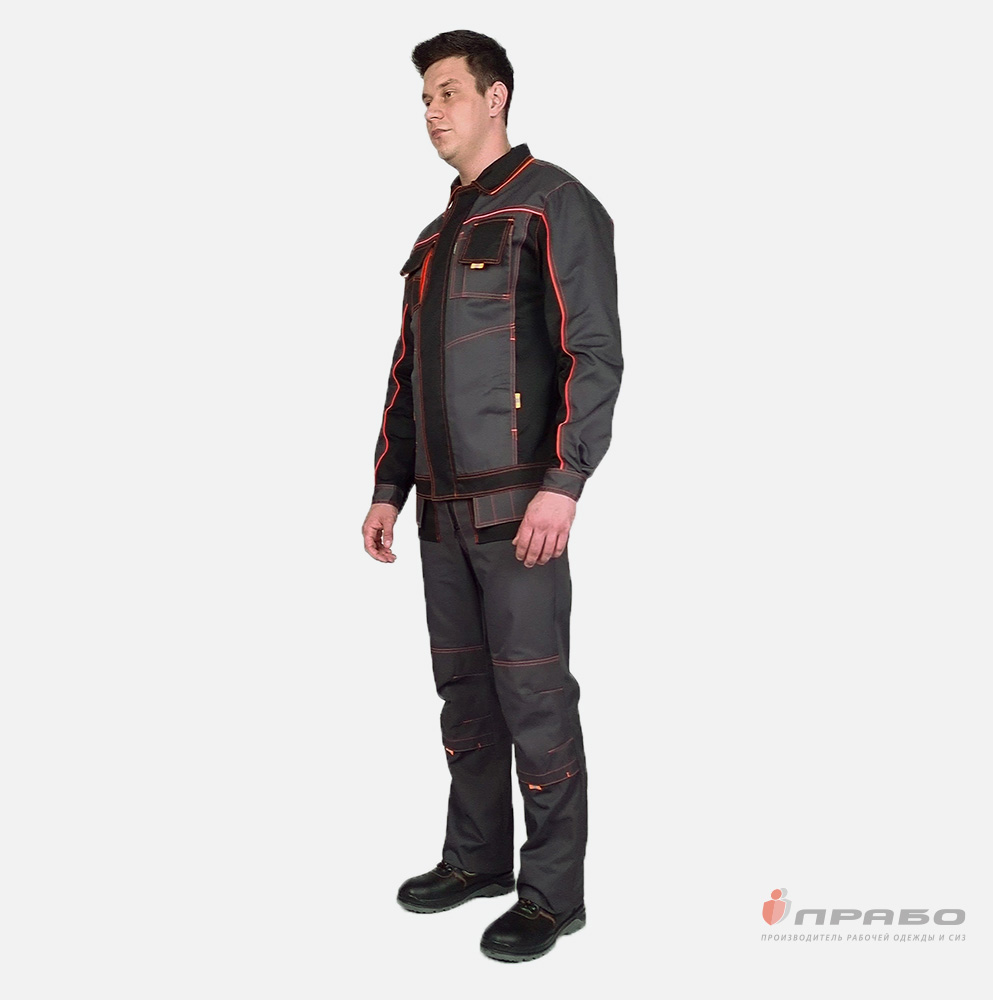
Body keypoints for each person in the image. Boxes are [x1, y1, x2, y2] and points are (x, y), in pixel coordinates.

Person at [361, 29, 622, 963]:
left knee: (535, 700)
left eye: (448, 93)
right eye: (424, 99)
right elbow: (406, 376)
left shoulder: (552, 204)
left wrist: (566, 482)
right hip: (440, 517)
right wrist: (388, 487)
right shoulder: (433, 241)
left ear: (495, 96)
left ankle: (554, 895)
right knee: (465, 699)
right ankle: (477, 860)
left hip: (520, 515)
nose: (432, 112)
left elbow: (593, 352)